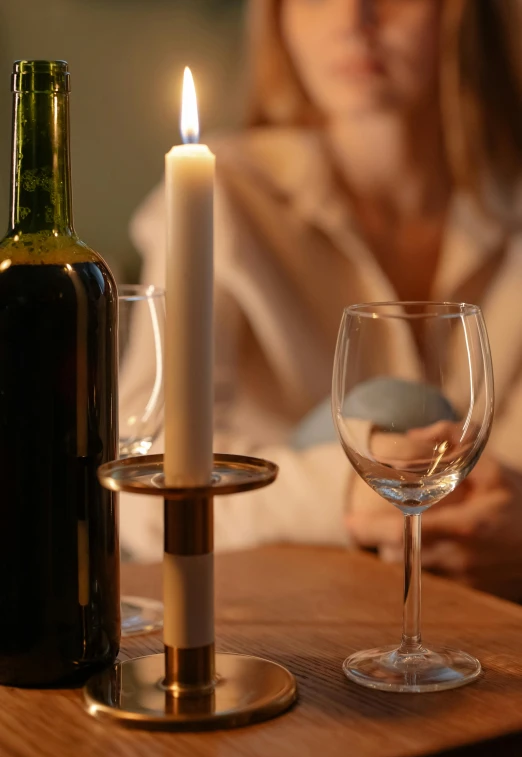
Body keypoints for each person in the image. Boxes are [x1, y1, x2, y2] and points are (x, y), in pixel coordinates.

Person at [121, 0, 522, 601]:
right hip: (297, 631)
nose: (353, 17)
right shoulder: (221, 201)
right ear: (276, 20)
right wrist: (342, 496)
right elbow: (140, 487)